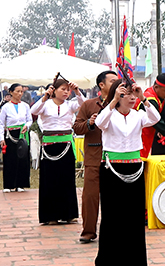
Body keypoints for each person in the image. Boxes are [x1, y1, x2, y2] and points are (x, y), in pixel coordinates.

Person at [94, 80, 161, 266]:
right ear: (118, 96)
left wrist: (144, 98)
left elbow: (155, 118)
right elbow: (99, 124)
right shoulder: (109, 114)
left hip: (134, 168)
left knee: (132, 216)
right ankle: (105, 262)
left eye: (134, 94)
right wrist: (113, 101)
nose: (132, 98)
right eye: (128, 94)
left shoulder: (138, 115)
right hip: (111, 168)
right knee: (112, 215)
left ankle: (129, 263)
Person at [30, 75, 84, 225]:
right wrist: (45, 96)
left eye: (68, 90)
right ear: (54, 90)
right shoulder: (45, 104)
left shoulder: (70, 105)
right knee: (49, 180)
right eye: (63, 89)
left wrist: (78, 91)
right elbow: (34, 110)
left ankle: (69, 214)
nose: (66, 92)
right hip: (49, 146)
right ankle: (50, 216)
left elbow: (84, 104)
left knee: (67, 179)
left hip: (66, 144)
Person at [72, 70, 117, 243]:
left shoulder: (122, 105)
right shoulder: (89, 105)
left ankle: (113, 230)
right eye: (112, 81)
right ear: (102, 85)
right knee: (90, 196)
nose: (116, 83)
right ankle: (88, 231)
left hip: (115, 157)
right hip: (94, 155)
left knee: (114, 196)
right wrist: (90, 123)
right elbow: (77, 127)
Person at [1, 83, 32, 192]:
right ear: (11, 92)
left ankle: (21, 184)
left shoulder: (25, 106)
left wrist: (26, 126)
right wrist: (1, 138)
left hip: (22, 134)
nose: (19, 94)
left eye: (21, 91)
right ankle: (8, 184)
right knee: (10, 159)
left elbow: (29, 120)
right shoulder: (5, 107)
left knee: (22, 159)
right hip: (10, 134)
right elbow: (1, 123)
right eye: (17, 91)